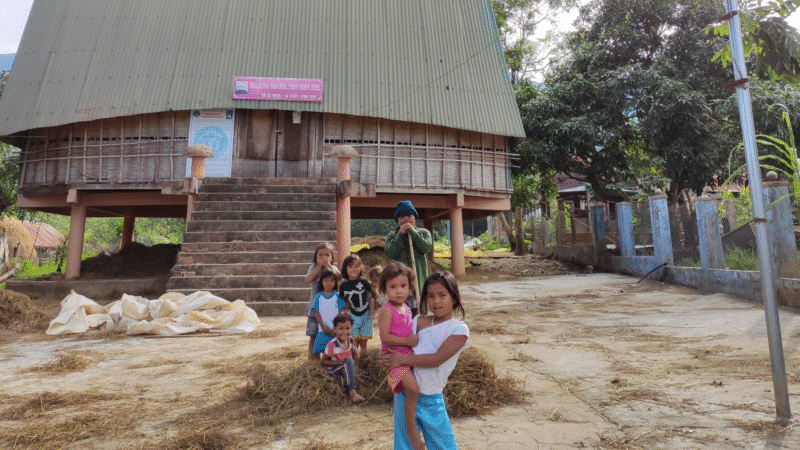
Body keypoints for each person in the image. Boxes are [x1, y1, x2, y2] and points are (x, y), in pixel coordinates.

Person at [381, 271, 469, 450]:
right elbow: (396, 344)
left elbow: (436, 359)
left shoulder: (458, 329)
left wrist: (401, 359)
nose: (436, 301)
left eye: (442, 295)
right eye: (430, 296)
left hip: (432, 399)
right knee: (405, 446)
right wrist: (386, 359)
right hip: (405, 395)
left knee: (444, 446)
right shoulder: (417, 321)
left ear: (454, 297)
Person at [378, 262, 423, 450]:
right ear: (384, 290)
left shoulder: (407, 309)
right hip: (394, 357)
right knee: (413, 388)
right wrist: (408, 341)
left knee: (412, 391)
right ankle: (411, 430)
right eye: (393, 287)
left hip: (407, 355)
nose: (399, 291)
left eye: (403, 286)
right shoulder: (386, 309)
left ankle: (412, 424)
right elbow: (385, 337)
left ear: (410, 287)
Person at [385, 200, 433, 317]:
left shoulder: (424, 233)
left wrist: (412, 232)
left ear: (415, 218)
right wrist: (400, 235)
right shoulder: (392, 236)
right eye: (402, 216)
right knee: (400, 316)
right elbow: (390, 253)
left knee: (419, 317)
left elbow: (425, 247)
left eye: (409, 216)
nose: (406, 219)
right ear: (397, 220)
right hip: (399, 285)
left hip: (418, 284)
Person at [305, 243, 341, 360]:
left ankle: (329, 360)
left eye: (327, 255)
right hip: (315, 309)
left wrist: (329, 267)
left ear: (332, 257)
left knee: (330, 335)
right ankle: (313, 362)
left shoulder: (333, 268)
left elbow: (340, 278)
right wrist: (319, 267)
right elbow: (308, 279)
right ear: (316, 257)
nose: (323, 257)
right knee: (313, 336)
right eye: (320, 255)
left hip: (330, 309)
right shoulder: (313, 267)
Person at [320, 312, 365, 403]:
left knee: (351, 363)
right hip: (333, 371)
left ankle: (350, 383)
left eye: (347, 328)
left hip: (346, 369)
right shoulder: (332, 345)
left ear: (352, 328)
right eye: (340, 328)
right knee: (348, 361)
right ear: (335, 329)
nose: (344, 332)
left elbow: (354, 353)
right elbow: (322, 362)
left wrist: (355, 366)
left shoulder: (351, 340)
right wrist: (336, 362)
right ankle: (352, 392)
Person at [339, 254, 377, 363]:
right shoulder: (343, 286)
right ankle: (354, 364)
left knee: (364, 342)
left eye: (356, 266)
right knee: (354, 341)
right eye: (350, 267)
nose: (353, 269)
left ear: (361, 267)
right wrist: (345, 313)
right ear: (345, 269)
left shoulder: (364, 282)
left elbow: (374, 294)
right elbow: (344, 300)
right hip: (353, 315)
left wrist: (372, 307)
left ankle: (364, 363)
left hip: (366, 314)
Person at [311, 268, 347, 356]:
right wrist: (323, 327)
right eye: (326, 280)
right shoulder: (318, 297)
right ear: (321, 282)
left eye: (331, 281)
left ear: (335, 283)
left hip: (336, 331)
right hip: (323, 330)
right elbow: (316, 312)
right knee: (325, 352)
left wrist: (336, 328)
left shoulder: (338, 296)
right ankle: (325, 369)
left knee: (336, 351)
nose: (328, 283)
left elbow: (341, 312)